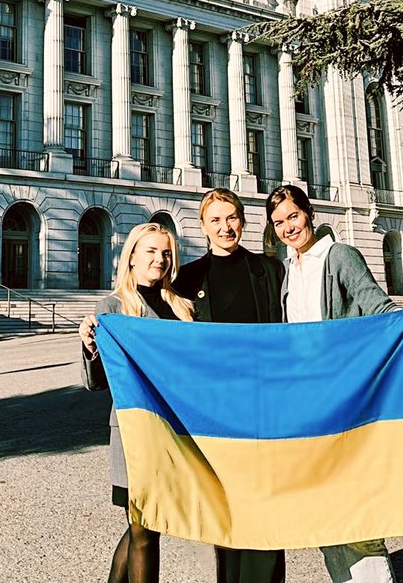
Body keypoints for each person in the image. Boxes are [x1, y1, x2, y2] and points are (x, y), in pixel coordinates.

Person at [266, 184, 403, 583]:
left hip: (341, 396)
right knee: (326, 510)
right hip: (309, 401)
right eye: (278, 222)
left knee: (353, 508)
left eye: (293, 216)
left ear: (308, 213)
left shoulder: (339, 255)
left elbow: (373, 301)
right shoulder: (290, 267)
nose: (288, 227)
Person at [173, 188, 287, 583]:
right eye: (216, 220)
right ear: (203, 227)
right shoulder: (186, 279)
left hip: (264, 406)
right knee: (226, 511)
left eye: (232, 218)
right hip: (216, 411)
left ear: (243, 220)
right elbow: (153, 325)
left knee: (267, 508)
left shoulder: (270, 271)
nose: (226, 227)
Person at [79, 223, 194, 583]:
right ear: (130, 257)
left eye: (165, 253)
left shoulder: (183, 307)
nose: (159, 260)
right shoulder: (113, 308)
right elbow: (97, 382)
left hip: (173, 428)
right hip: (133, 429)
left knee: (146, 525)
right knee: (144, 525)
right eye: (150, 252)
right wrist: (90, 346)